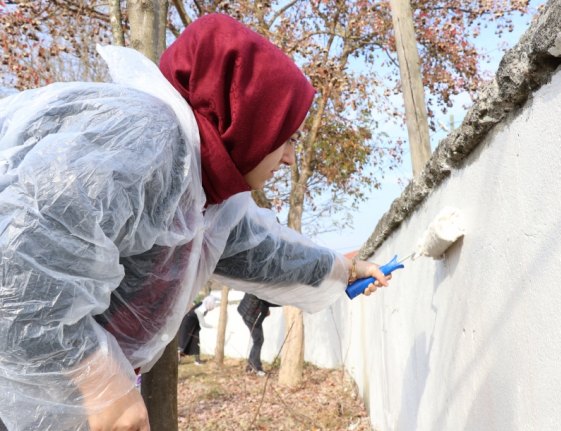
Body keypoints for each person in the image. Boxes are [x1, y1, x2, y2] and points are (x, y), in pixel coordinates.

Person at [0, 13, 389, 431]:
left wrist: (344, 269)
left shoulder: (204, 191)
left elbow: (259, 250)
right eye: (286, 137)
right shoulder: (149, 139)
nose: (291, 157)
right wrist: (99, 383)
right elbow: (20, 266)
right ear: (250, 118)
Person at [237, 293, 279, 376]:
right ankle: (256, 367)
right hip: (251, 316)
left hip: (247, 312)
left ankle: (251, 365)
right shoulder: (262, 288)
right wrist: (284, 303)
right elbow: (267, 299)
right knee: (258, 340)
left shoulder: (260, 284)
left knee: (258, 340)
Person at [178, 296, 218, 365]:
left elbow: (211, 298)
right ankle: (177, 361)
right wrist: (214, 326)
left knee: (195, 341)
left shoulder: (202, 304)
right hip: (186, 326)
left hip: (194, 325)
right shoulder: (199, 310)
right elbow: (203, 324)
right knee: (183, 343)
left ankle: (197, 360)